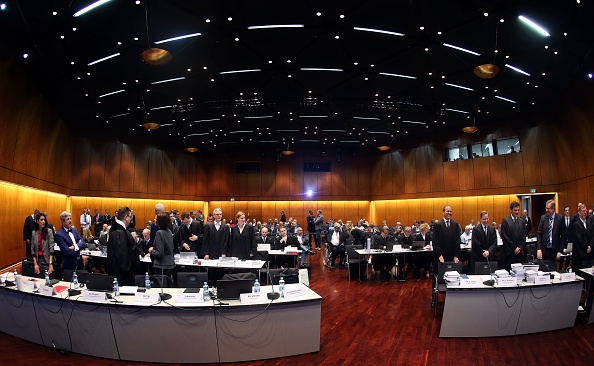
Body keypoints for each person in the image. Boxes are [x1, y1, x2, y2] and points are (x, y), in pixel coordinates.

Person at [107, 206, 134, 286]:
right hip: (120, 275)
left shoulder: (115, 228)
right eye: (130, 217)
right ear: (126, 217)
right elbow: (122, 256)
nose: (131, 219)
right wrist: (129, 271)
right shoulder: (119, 232)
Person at [149, 211, 175, 280]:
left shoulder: (159, 233)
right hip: (170, 264)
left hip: (162, 266)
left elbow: (160, 253)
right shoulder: (169, 232)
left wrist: (151, 251)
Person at [501, 201, 527, 270]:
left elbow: (524, 236)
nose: (517, 212)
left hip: (519, 253)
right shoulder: (505, 221)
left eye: (518, 210)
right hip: (509, 253)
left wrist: (519, 247)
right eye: (515, 210)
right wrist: (514, 248)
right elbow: (505, 237)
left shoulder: (521, 221)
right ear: (511, 210)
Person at [572, 203, 593, 271]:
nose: (585, 213)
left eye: (586, 211)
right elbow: (579, 239)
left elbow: (593, 236)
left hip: (589, 253)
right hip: (580, 254)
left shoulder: (589, 223)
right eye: (583, 211)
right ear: (579, 213)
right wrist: (586, 247)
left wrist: (590, 246)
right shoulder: (576, 224)